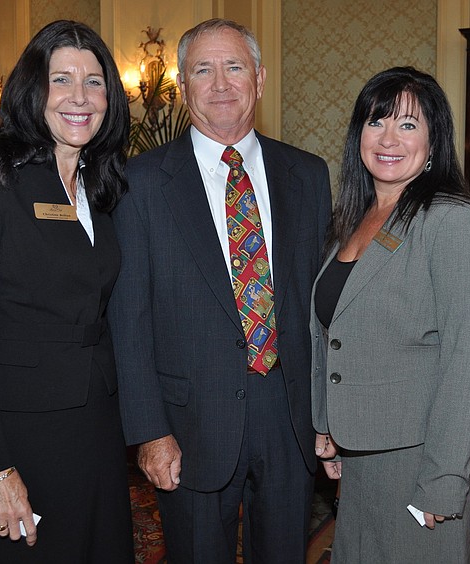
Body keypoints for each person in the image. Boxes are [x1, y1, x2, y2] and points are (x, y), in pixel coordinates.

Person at [109, 18, 332, 563]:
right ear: (183, 88)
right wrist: (149, 432)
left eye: (234, 67)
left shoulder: (308, 175)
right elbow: (128, 317)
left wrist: (330, 416)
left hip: (290, 415)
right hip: (189, 423)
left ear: (258, 78)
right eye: (203, 70)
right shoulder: (139, 184)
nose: (221, 83)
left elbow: (323, 309)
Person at [0, 21, 134, 562]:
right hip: (19, 433)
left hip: (96, 422)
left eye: (94, 82)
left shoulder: (102, 182)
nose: (80, 97)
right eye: (61, 79)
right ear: (30, 89)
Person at [311, 66, 470, 563]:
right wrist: (327, 425)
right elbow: (331, 334)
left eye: (408, 124)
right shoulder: (349, 223)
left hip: (419, 458)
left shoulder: (457, 223)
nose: (389, 138)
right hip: (360, 457)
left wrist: (444, 477)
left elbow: (469, 365)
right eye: (376, 122)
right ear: (359, 136)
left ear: (435, 140)